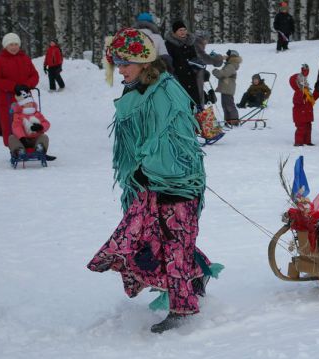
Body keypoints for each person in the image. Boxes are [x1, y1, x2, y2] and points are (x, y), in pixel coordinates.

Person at [87, 28, 222, 334]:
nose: (119, 69)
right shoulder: (139, 89)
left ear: (144, 62)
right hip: (150, 183)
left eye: (125, 62)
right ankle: (197, 274)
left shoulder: (164, 92)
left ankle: (182, 309)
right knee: (154, 241)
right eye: (116, 63)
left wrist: (147, 170)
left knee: (174, 245)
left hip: (174, 182)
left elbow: (172, 142)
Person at [0, 33, 39, 147]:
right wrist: (13, 86)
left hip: (25, 98)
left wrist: (27, 85)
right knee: (11, 123)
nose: (14, 47)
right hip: (8, 98)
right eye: (11, 44)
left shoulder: (25, 58)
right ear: (5, 46)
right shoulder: (0, 60)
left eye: (16, 44)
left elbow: (34, 75)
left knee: (28, 120)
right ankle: (14, 146)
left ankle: (32, 144)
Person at [165, 20, 201, 108]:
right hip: (178, 79)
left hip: (192, 78)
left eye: (184, 30)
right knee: (182, 103)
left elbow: (195, 58)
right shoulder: (169, 44)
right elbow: (168, 62)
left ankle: (197, 120)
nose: (183, 32)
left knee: (195, 103)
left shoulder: (190, 43)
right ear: (174, 32)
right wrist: (173, 76)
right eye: (180, 30)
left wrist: (200, 69)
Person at [8, 85, 50, 159]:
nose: (30, 104)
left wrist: (41, 127)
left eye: (31, 102)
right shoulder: (18, 115)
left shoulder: (36, 114)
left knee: (44, 137)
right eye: (27, 103)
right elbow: (16, 127)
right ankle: (19, 151)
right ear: (22, 105)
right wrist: (22, 138)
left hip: (35, 139)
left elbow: (46, 123)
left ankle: (39, 149)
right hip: (22, 140)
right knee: (12, 138)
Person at [290, 64, 319, 146]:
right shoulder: (298, 92)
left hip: (307, 114)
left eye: (304, 80)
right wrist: (301, 93)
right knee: (301, 129)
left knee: (308, 128)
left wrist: (318, 92)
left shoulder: (306, 91)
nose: (304, 82)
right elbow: (296, 101)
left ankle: (307, 141)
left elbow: (312, 100)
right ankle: (298, 142)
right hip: (300, 115)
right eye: (301, 81)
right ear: (297, 83)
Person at [193, 30, 224, 107]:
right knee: (198, 101)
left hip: (195, 76)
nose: (207, 42)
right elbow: (203, 58)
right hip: (194, 78)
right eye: (207, 40)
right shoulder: (197, 44)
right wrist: (219, 58)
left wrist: (204, 71)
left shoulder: (196, 44)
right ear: (203, 39)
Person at [212, 49, 242, 127]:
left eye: (228, 55)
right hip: (225, 88)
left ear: (231, 56)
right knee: (225, 105)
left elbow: (223, 74)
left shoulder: (231, 65)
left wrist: (215, 71)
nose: (226, 56)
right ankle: (228, 120)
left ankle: (234, 121)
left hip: (228, 88)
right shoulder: (229, 64)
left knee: (229, 105)